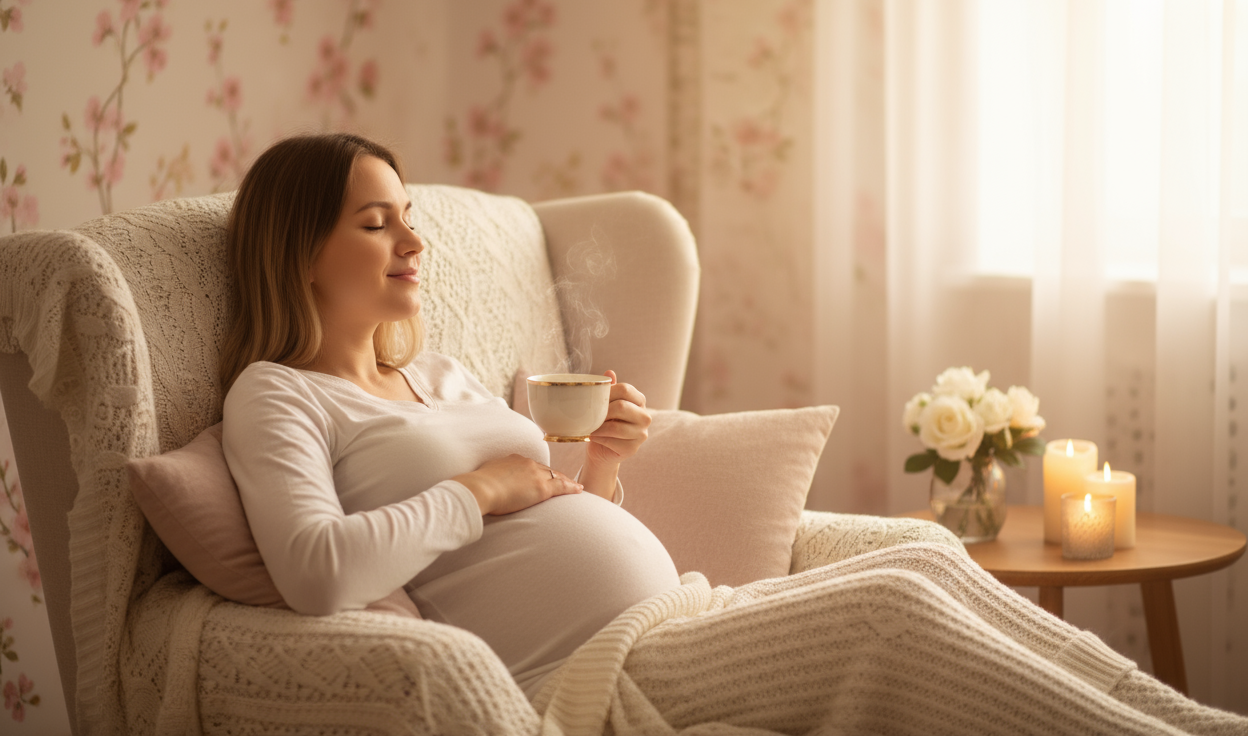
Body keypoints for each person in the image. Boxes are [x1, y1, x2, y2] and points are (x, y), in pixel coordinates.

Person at [221, 133, 1247, 736]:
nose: (413, 240)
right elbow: (316, 572)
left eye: (408, 215)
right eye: (376, 223)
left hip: (675, 612)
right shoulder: (279, 398)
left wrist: (600, 466)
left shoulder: (436, 375)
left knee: (923, 558)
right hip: (592, 675)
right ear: (300, 249)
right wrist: (485, 487)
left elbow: (551, 520)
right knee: (889, 608)